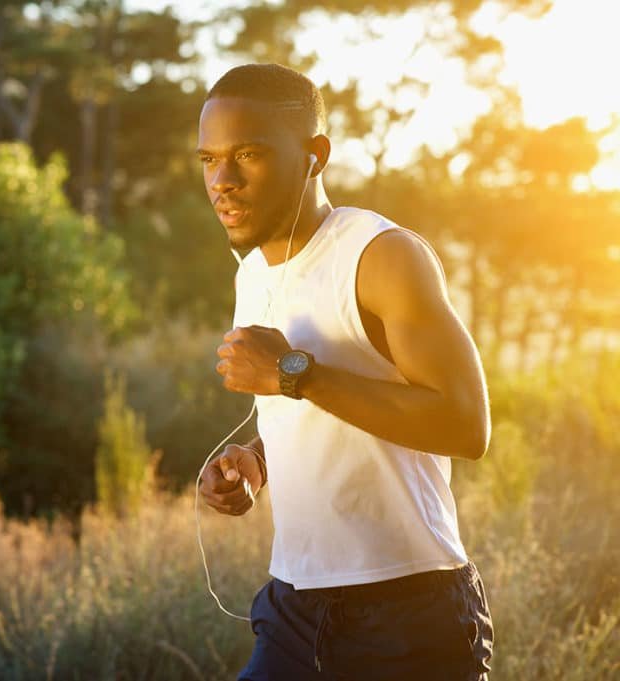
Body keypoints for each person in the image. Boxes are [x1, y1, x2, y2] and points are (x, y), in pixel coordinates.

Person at [197, 63, 495, 680]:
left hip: (408, 611)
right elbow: (313, 412)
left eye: (247, 154)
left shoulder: (382, 256)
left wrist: (293, 375)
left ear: (315, 156)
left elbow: (467, 425)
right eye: (209, 159)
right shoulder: (250, 273)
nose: (222, 180)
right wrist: (257, 461)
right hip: (293, 603)